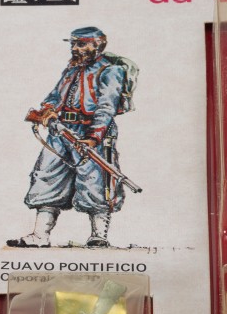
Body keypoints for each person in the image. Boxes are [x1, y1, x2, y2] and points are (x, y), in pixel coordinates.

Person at [9, 27, 137, 248]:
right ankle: (40, 236)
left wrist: (94, 138)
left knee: (96, 181)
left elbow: (106, 107)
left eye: (81, 44)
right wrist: (48, 112)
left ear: (98, 45)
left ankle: (99, 236)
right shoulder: (71, 69)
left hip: (92, 132)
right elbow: (54, 96)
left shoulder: (111, 71)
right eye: (74, 44)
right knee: (47, 176)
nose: (75, 48)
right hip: (61, 130)